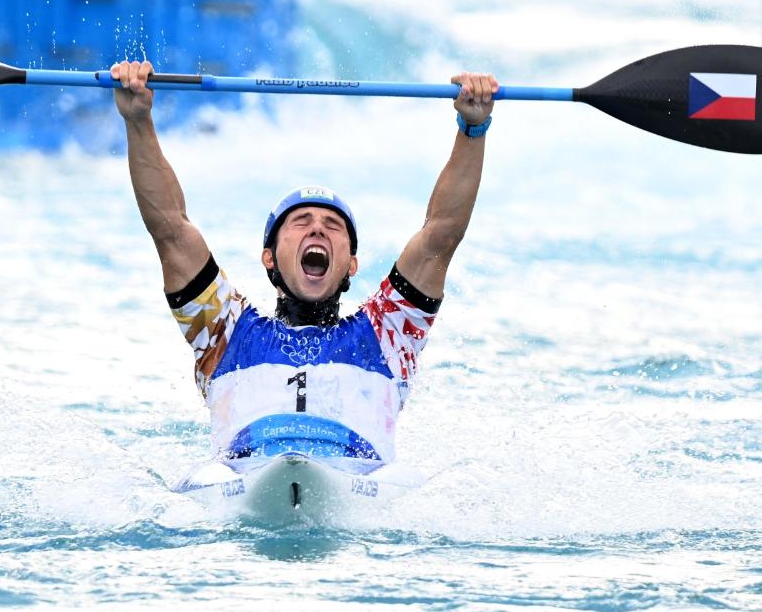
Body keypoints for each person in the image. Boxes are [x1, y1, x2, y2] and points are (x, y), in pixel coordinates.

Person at [112, 60, 496, 464]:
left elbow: (441, 234)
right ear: (269, 258)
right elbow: (171, 232)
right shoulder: (224, 332)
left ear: (351, 264)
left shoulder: (388, 333)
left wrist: (472, 129)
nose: (317, 230)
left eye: (333, 225)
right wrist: (138, 120)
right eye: (301, 222)